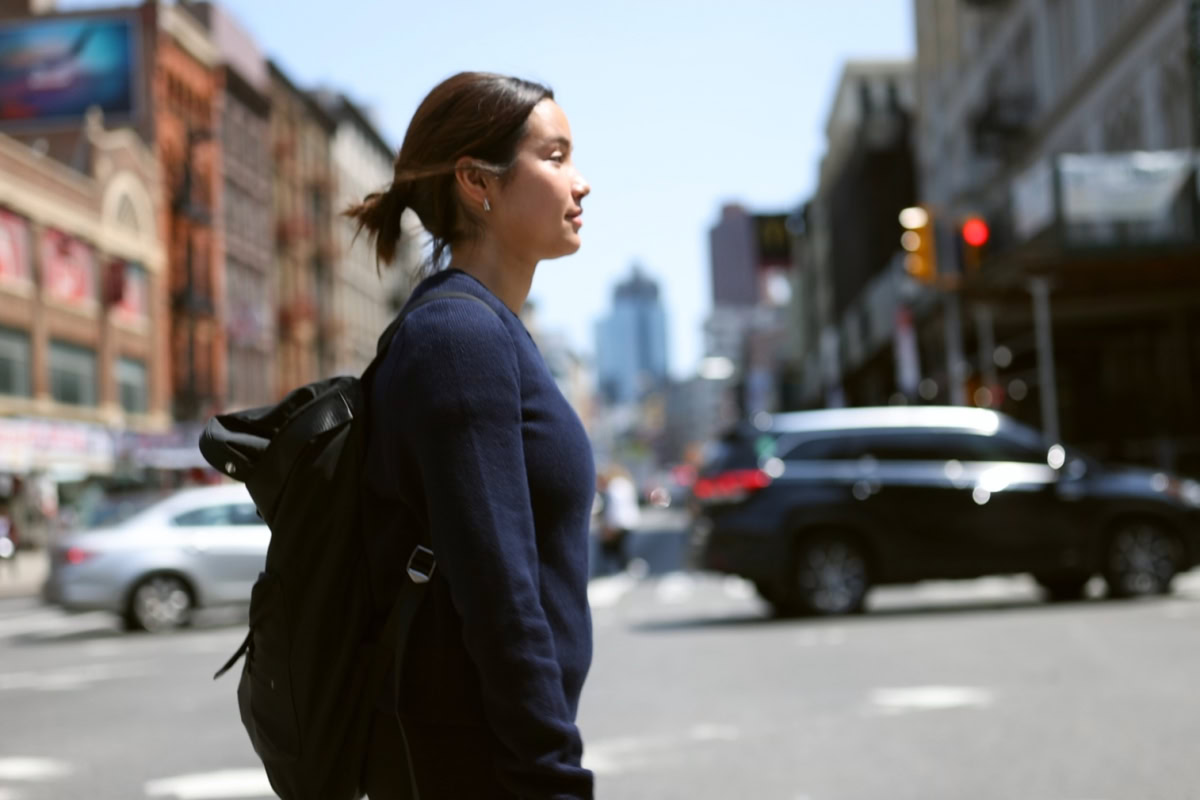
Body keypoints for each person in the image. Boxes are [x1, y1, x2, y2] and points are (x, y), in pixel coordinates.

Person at [347, 72, 594, 799]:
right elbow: (500, 595)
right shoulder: (459, 340)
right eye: (554, 157)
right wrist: (551, 780)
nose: (581, 184)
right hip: (476, 768)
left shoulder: (484, 332)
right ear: (476, 183)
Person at [597, 466, 640, 575]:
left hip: (617, 523)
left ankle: (616, 570)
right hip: (630, 520)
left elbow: (613, 507)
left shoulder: (613, 487)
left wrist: (609, 526)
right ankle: (627, 569)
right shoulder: (627, 484)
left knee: (613, 549)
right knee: (625, 549)